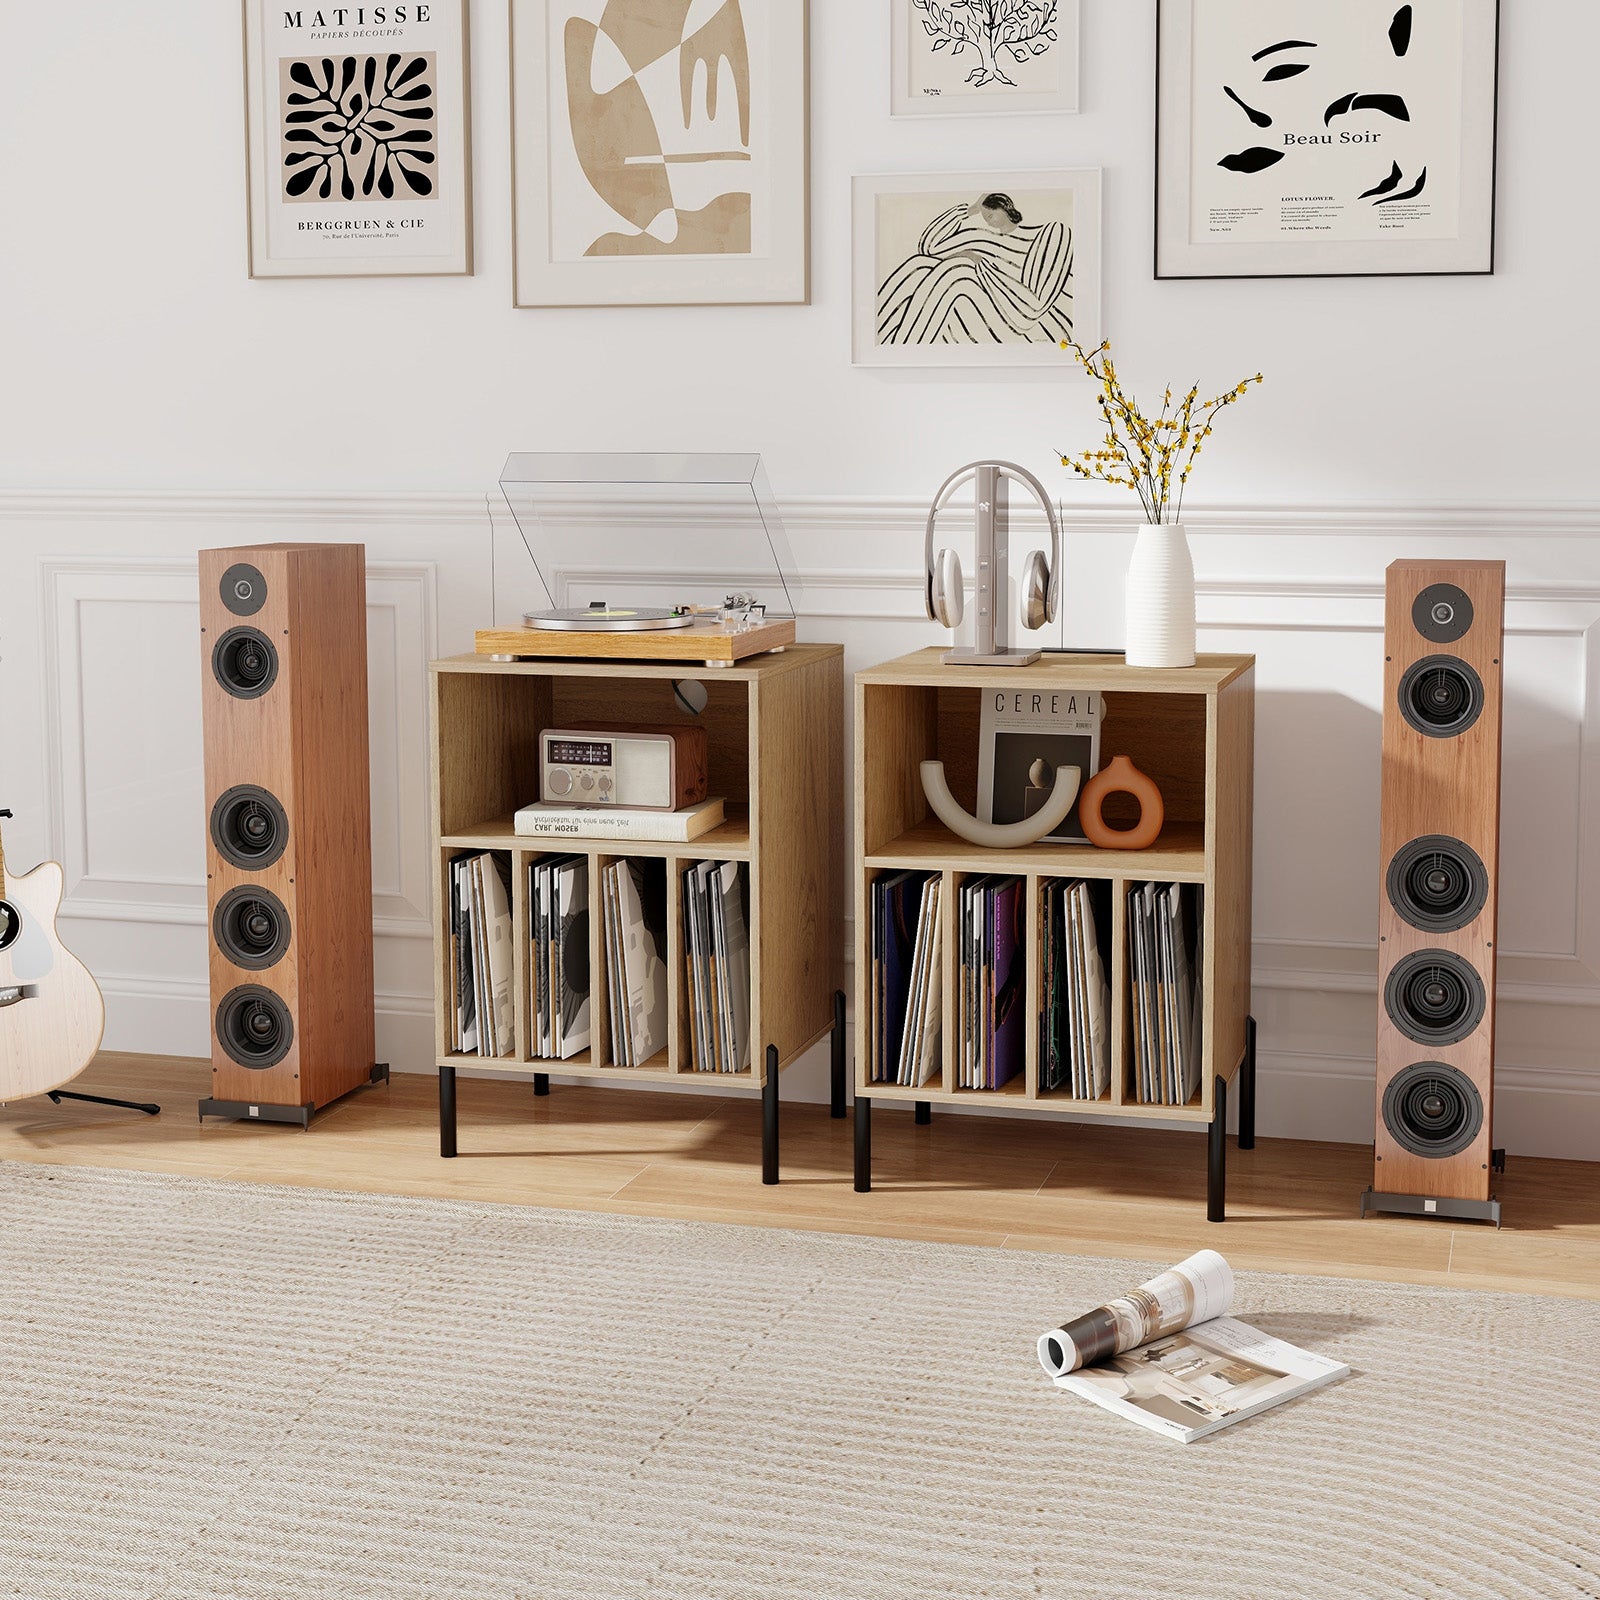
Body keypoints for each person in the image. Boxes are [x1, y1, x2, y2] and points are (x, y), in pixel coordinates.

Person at [877, 192, 1075, 346]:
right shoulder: (984, 238)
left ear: (1005, 207)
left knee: (958, 271)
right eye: (984, 214)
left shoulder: (1051, 233)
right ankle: (879, 344)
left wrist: (979, 267)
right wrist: (970, 210)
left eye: (991, 212)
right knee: (919, 266)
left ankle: (905, 353)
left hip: (1034, 332)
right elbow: (928, 247)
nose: (987, 218)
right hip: (983, 317)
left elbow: (1030, 312)